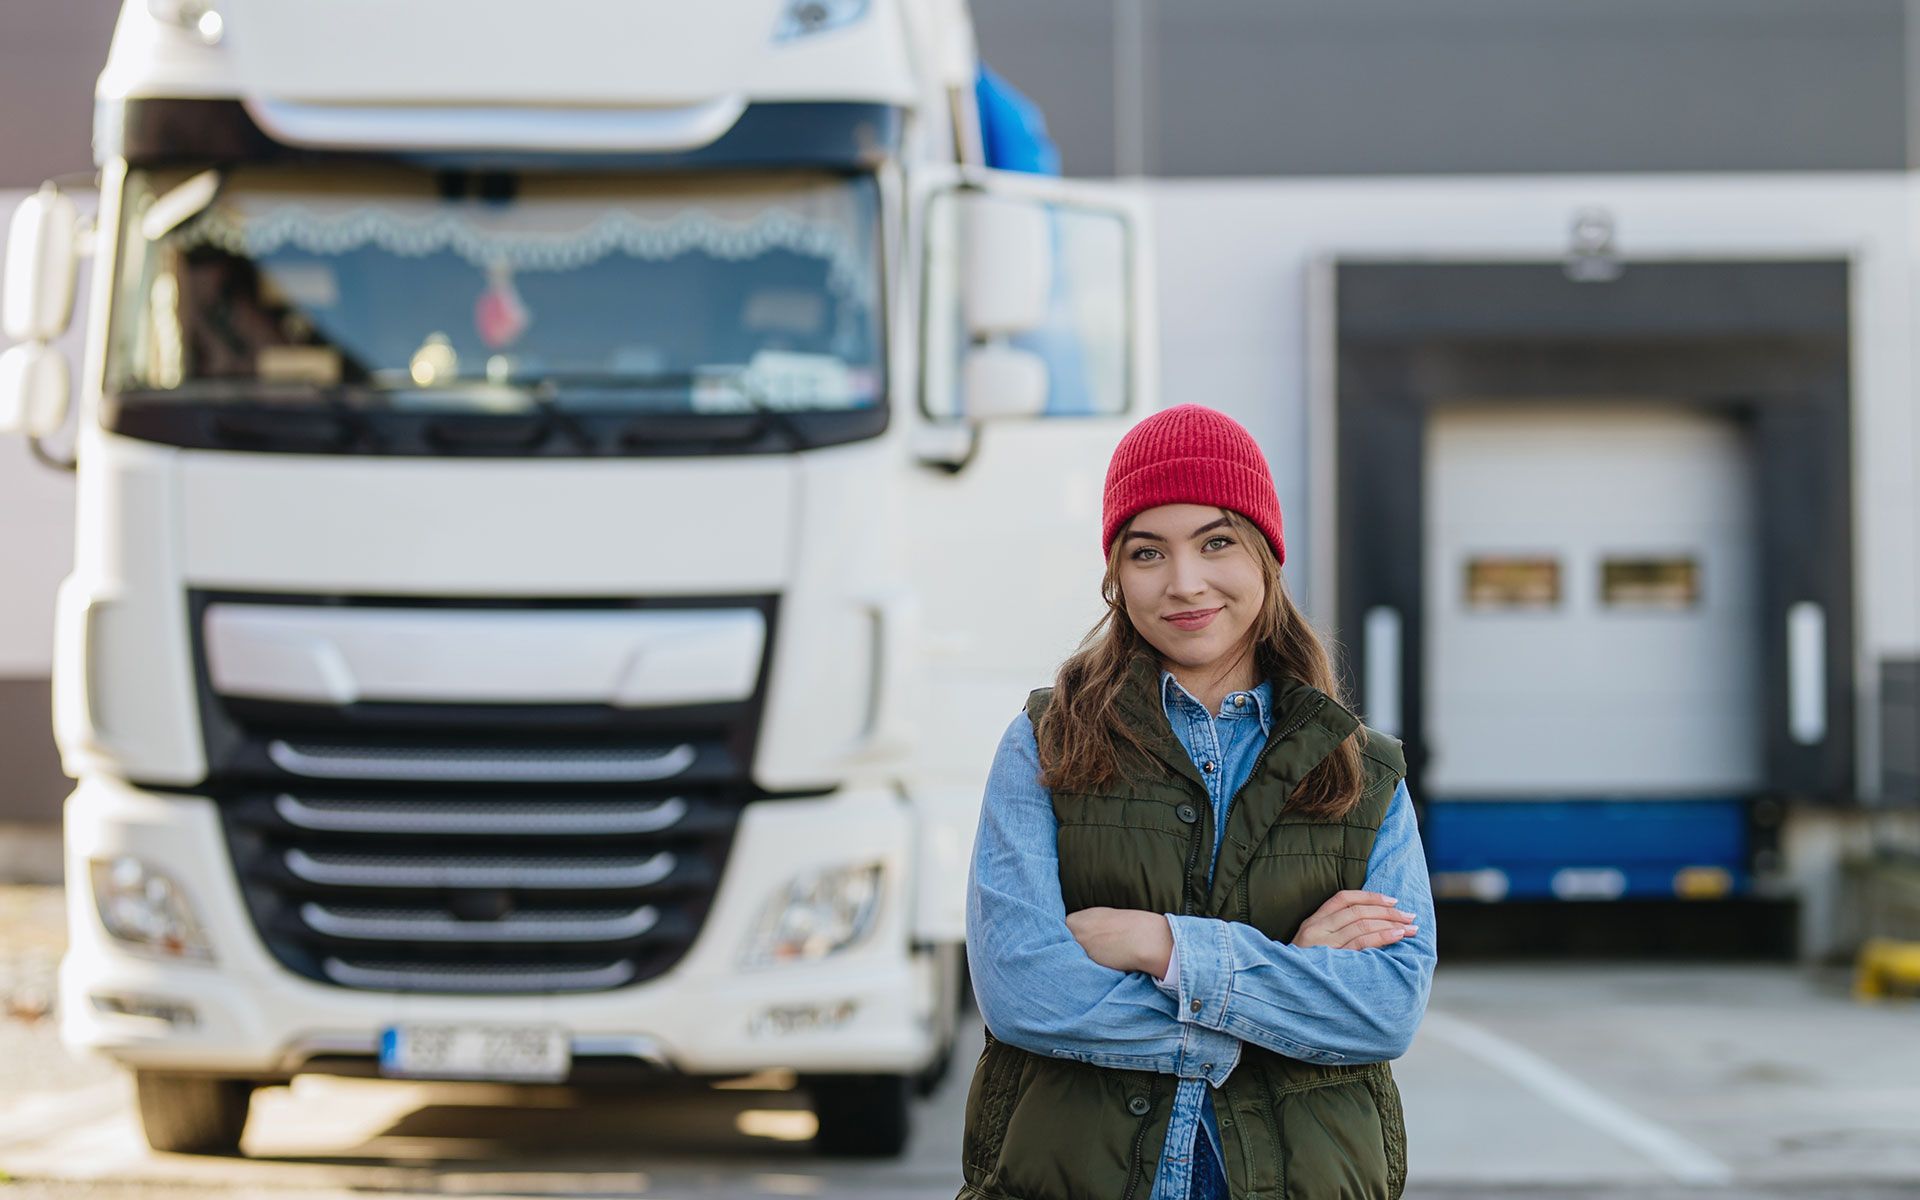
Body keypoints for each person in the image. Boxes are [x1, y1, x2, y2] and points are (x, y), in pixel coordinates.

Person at [959, 404, 1436, 1200]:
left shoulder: (1358, 768)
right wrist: (1282, 990)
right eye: (1148, 552)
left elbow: (1384, 1011)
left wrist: (1164, 946)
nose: (1184, 583)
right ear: (1116, 576)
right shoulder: (1046, 742)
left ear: (1265, 557)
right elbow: (1023, 990)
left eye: (1216, 542)